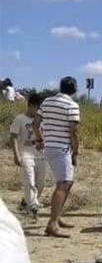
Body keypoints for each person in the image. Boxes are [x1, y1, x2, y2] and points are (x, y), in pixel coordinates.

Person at [33, 76, 80, 238]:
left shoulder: (46, 102)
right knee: (63, 184)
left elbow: (36, 122)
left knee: (69, 182)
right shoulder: (72, 105)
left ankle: (57, 217)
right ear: (74, 89)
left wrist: (39, 138)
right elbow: (73, 131)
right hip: (62, 148)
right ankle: (52, 224)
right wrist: (76, 151)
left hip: (50, 146)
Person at [10, 93, 47, 221]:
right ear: (30, 106)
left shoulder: (42, 120)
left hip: (41, 156)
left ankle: (26, 202)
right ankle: (33, 207)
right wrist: (16, 155)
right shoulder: (20, 119)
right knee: (29, 182)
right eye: (37, 108)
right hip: (26, 155)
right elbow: (13, 137)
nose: (38, 111)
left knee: (40, 183)